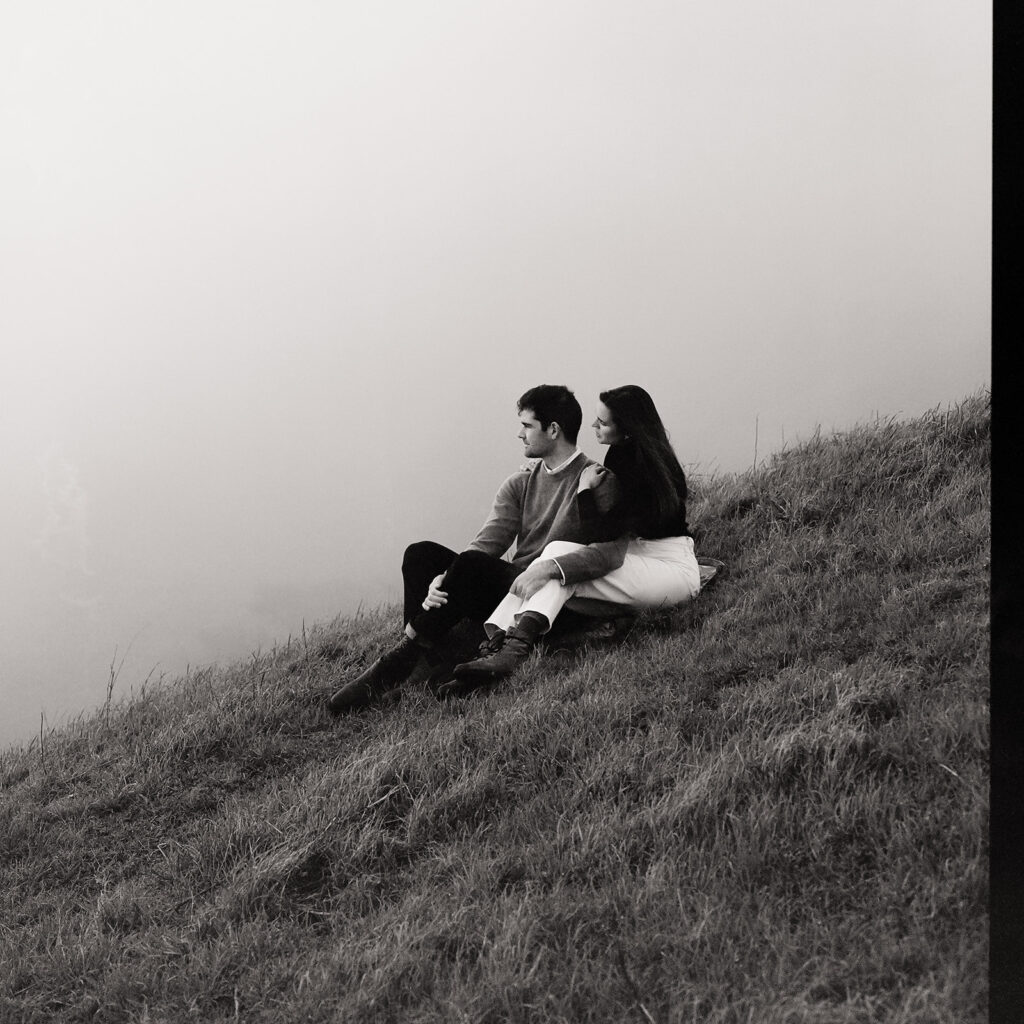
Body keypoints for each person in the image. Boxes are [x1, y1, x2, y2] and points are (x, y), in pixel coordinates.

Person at [327, 384, 618, 713]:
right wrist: (444, 576)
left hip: (552, 604)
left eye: (526, 426)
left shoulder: (597, 481)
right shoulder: (520, 483)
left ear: (553, 430)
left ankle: (398, 661)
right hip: (509, 591)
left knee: (473, 565)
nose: (519, 435)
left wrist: (547, 568)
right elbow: (488, 542)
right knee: (419, 554)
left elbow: (609, 554)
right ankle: (427, 654)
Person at [438, 385, 700, 696]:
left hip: (671, 569)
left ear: (627, 428)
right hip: (637, 559)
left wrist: (585, 492)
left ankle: (511, 649)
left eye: (602, 423)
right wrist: (546, 478)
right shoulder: (619, 456)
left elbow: (604, 533)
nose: (594, 427)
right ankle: (500, 648)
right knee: (557, 558)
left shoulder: (648, 472)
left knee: (557, 567)